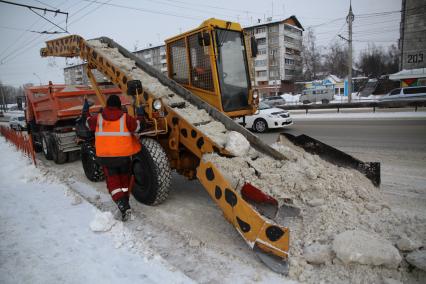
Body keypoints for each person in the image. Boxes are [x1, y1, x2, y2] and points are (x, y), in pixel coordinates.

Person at [83, 94, 142, 221]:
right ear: (119, 106)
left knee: (113, 184)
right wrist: (140, 111)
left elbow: (87, 122)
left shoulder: (98, 118)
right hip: (124, 158)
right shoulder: (126, 118)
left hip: (106, 158)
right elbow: (138, 126)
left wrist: (85, 109)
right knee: (124, 183)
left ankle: (123, 205)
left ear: (107, 105)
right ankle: (125, 203)